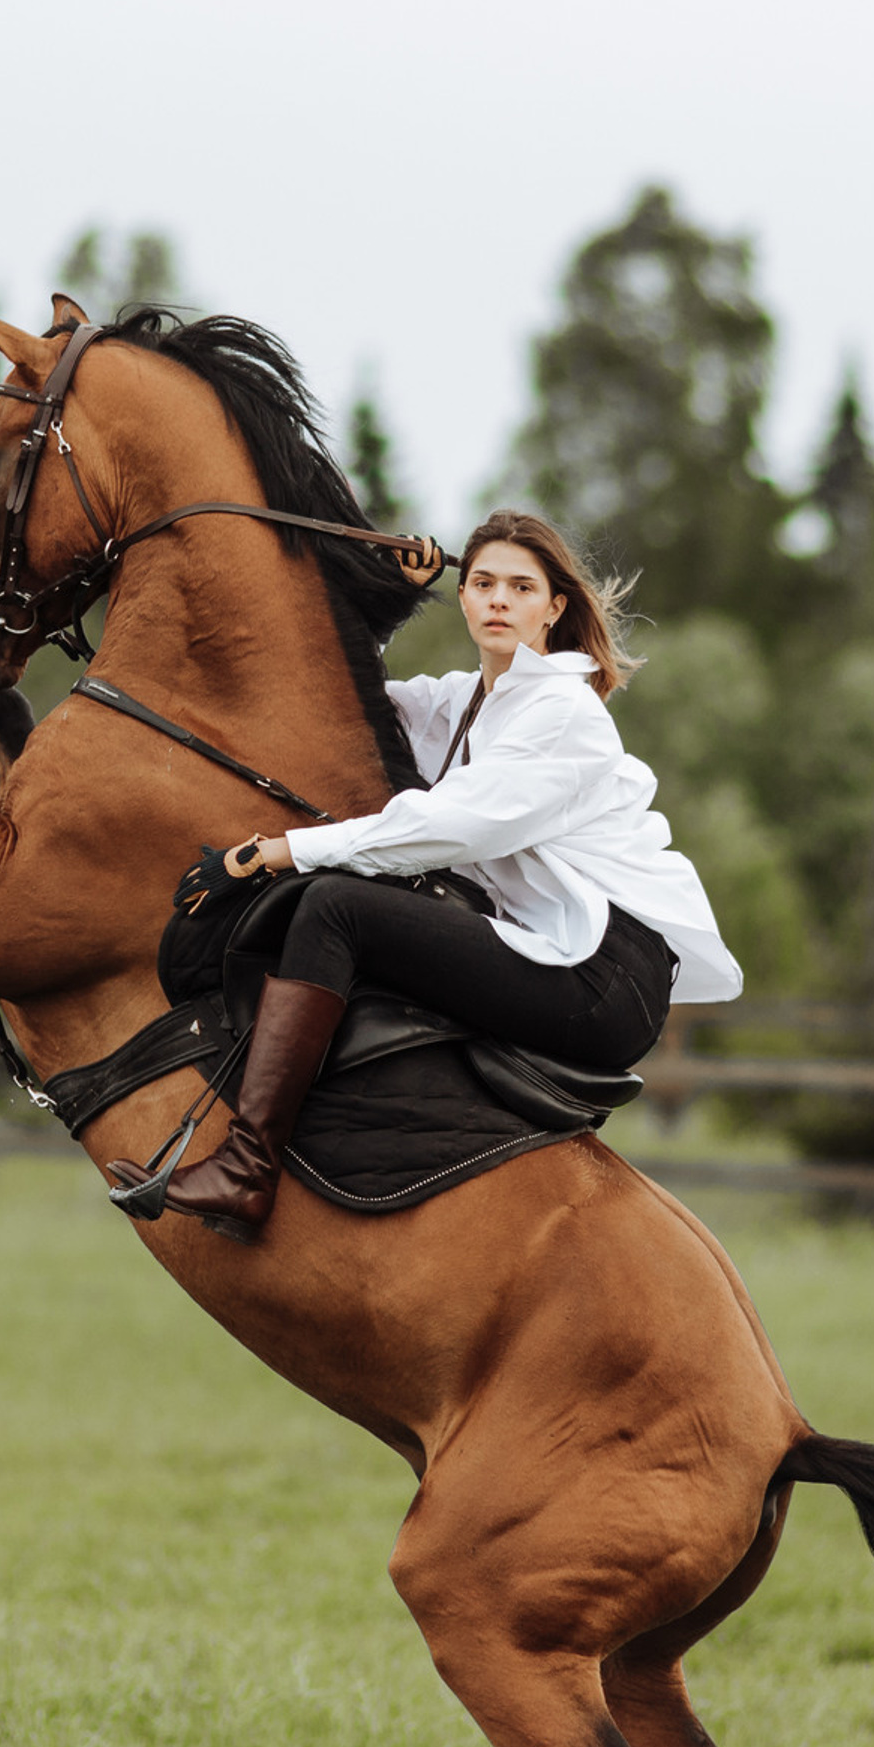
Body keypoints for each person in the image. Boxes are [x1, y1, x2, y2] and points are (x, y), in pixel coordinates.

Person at [145, 508, 744, 1238]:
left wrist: (278, 852)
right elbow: (350, 708)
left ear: (554, 607)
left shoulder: (561, 712)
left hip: (604, 972)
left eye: (520, 587)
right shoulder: (463, 701)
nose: (498, 599)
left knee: (335, 908)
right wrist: (391, 600)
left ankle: (246, 1167)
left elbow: (447, 827)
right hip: (551, 951)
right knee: (342, 902)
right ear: (463, 598)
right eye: (483, 582)